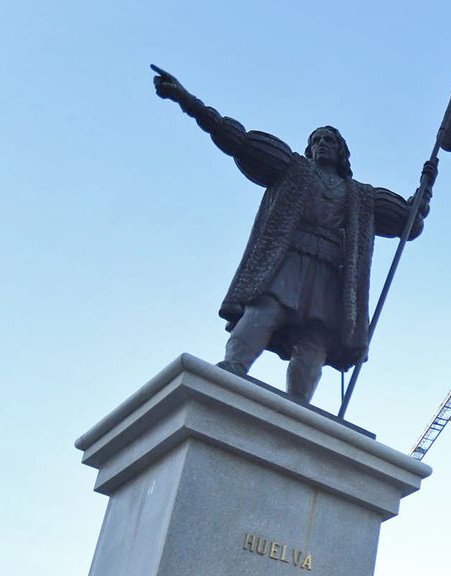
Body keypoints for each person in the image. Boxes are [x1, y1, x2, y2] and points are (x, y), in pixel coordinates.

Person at [151, 68, 424, 404]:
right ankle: (233, 367)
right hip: (288, 257)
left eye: (330, 140)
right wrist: (188, 101)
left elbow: (407, 224)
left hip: (329, 271)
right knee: (264, 312)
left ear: (342, 152)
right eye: (316, 140)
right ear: (309, 149)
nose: (322, 143)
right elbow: (239, 141)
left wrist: (420, 201)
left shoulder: (361, 196)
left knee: (314, 340)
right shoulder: (292, 168)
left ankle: (299, 405)